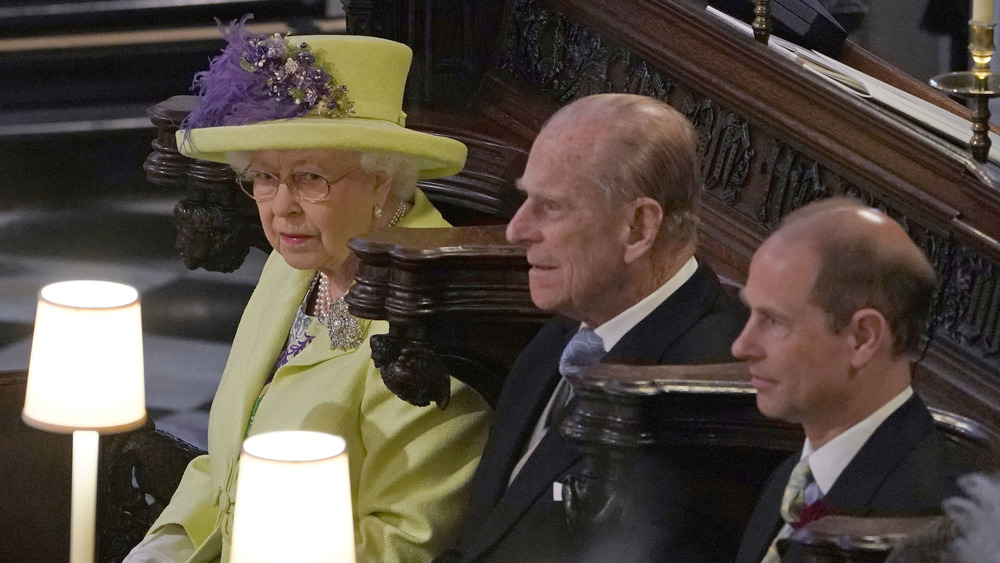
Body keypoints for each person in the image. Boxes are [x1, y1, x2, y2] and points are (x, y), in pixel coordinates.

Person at [124, 22, 490, 563]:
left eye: (311, 177)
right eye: (264, 177)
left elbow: (403, 541)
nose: (280, 206)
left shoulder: (426, 310)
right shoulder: (300, 260)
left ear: (381, 178)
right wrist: (168, 543)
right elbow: (229, 459)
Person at [434, 93, 749, 562]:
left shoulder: (703, 384)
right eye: (525, 200)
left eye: (551, 207)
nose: (516, 230)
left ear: (638, 228)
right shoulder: (573, 327)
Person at [732, 198, 978, 563]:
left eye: (774, 321)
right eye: (750, 312)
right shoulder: (790, 481)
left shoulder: (929, 531)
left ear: (863, 338)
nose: (741, 346)